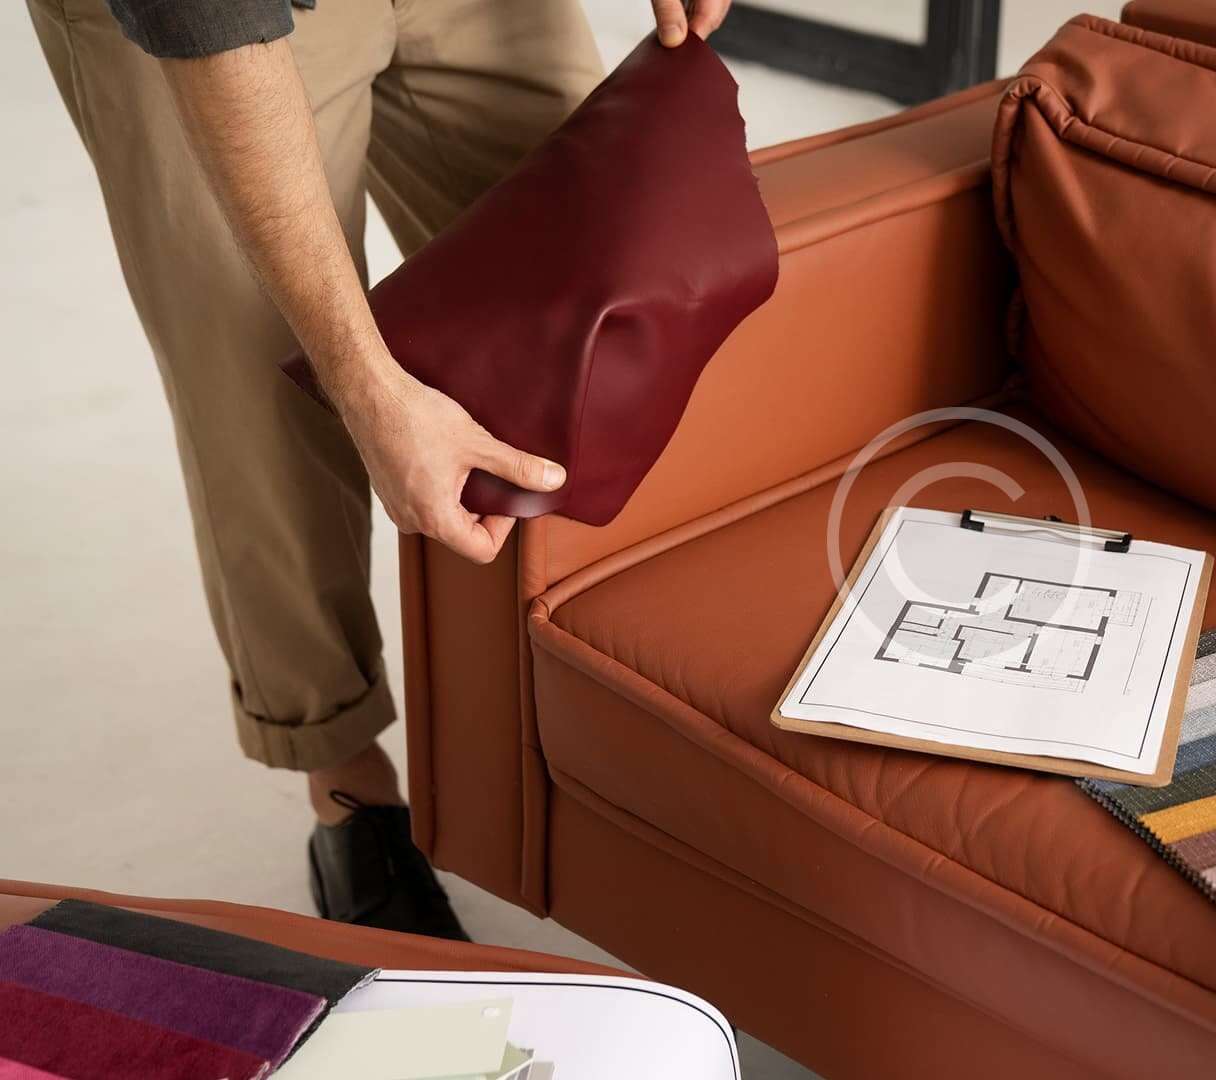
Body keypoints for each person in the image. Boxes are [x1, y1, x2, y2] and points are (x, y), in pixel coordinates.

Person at [26, 0, 732, 940]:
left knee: (611, 272)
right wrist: (363, 384)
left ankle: (585, 718)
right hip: (208, 23)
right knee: (265, 380)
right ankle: (345, 783)